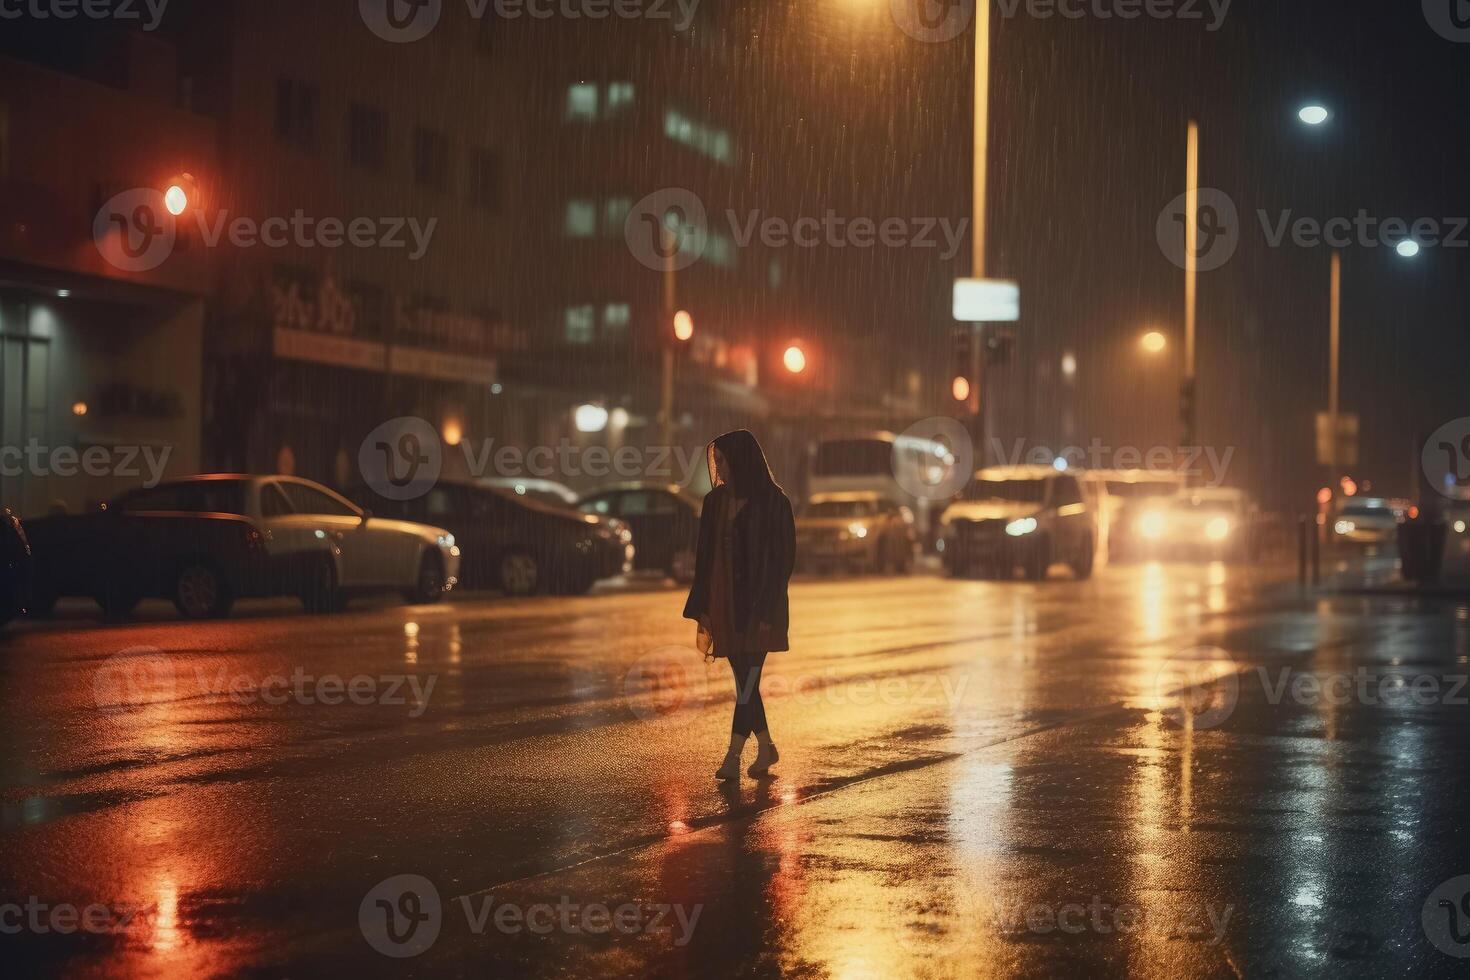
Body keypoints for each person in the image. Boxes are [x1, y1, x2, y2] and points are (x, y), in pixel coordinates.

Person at [683, 430, 796, 781]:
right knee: (745, 680)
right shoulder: (714, 502)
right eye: (716, 461)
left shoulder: (773, 502)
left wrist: (765, 610)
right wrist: (702, 605)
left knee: (748, 680)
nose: (719, 467)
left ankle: (733, 756)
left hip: (759, 604)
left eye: (724, 460)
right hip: (723, 602)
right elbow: (704, 558)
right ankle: (765, 746)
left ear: (742, 460)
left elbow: (782, 562)